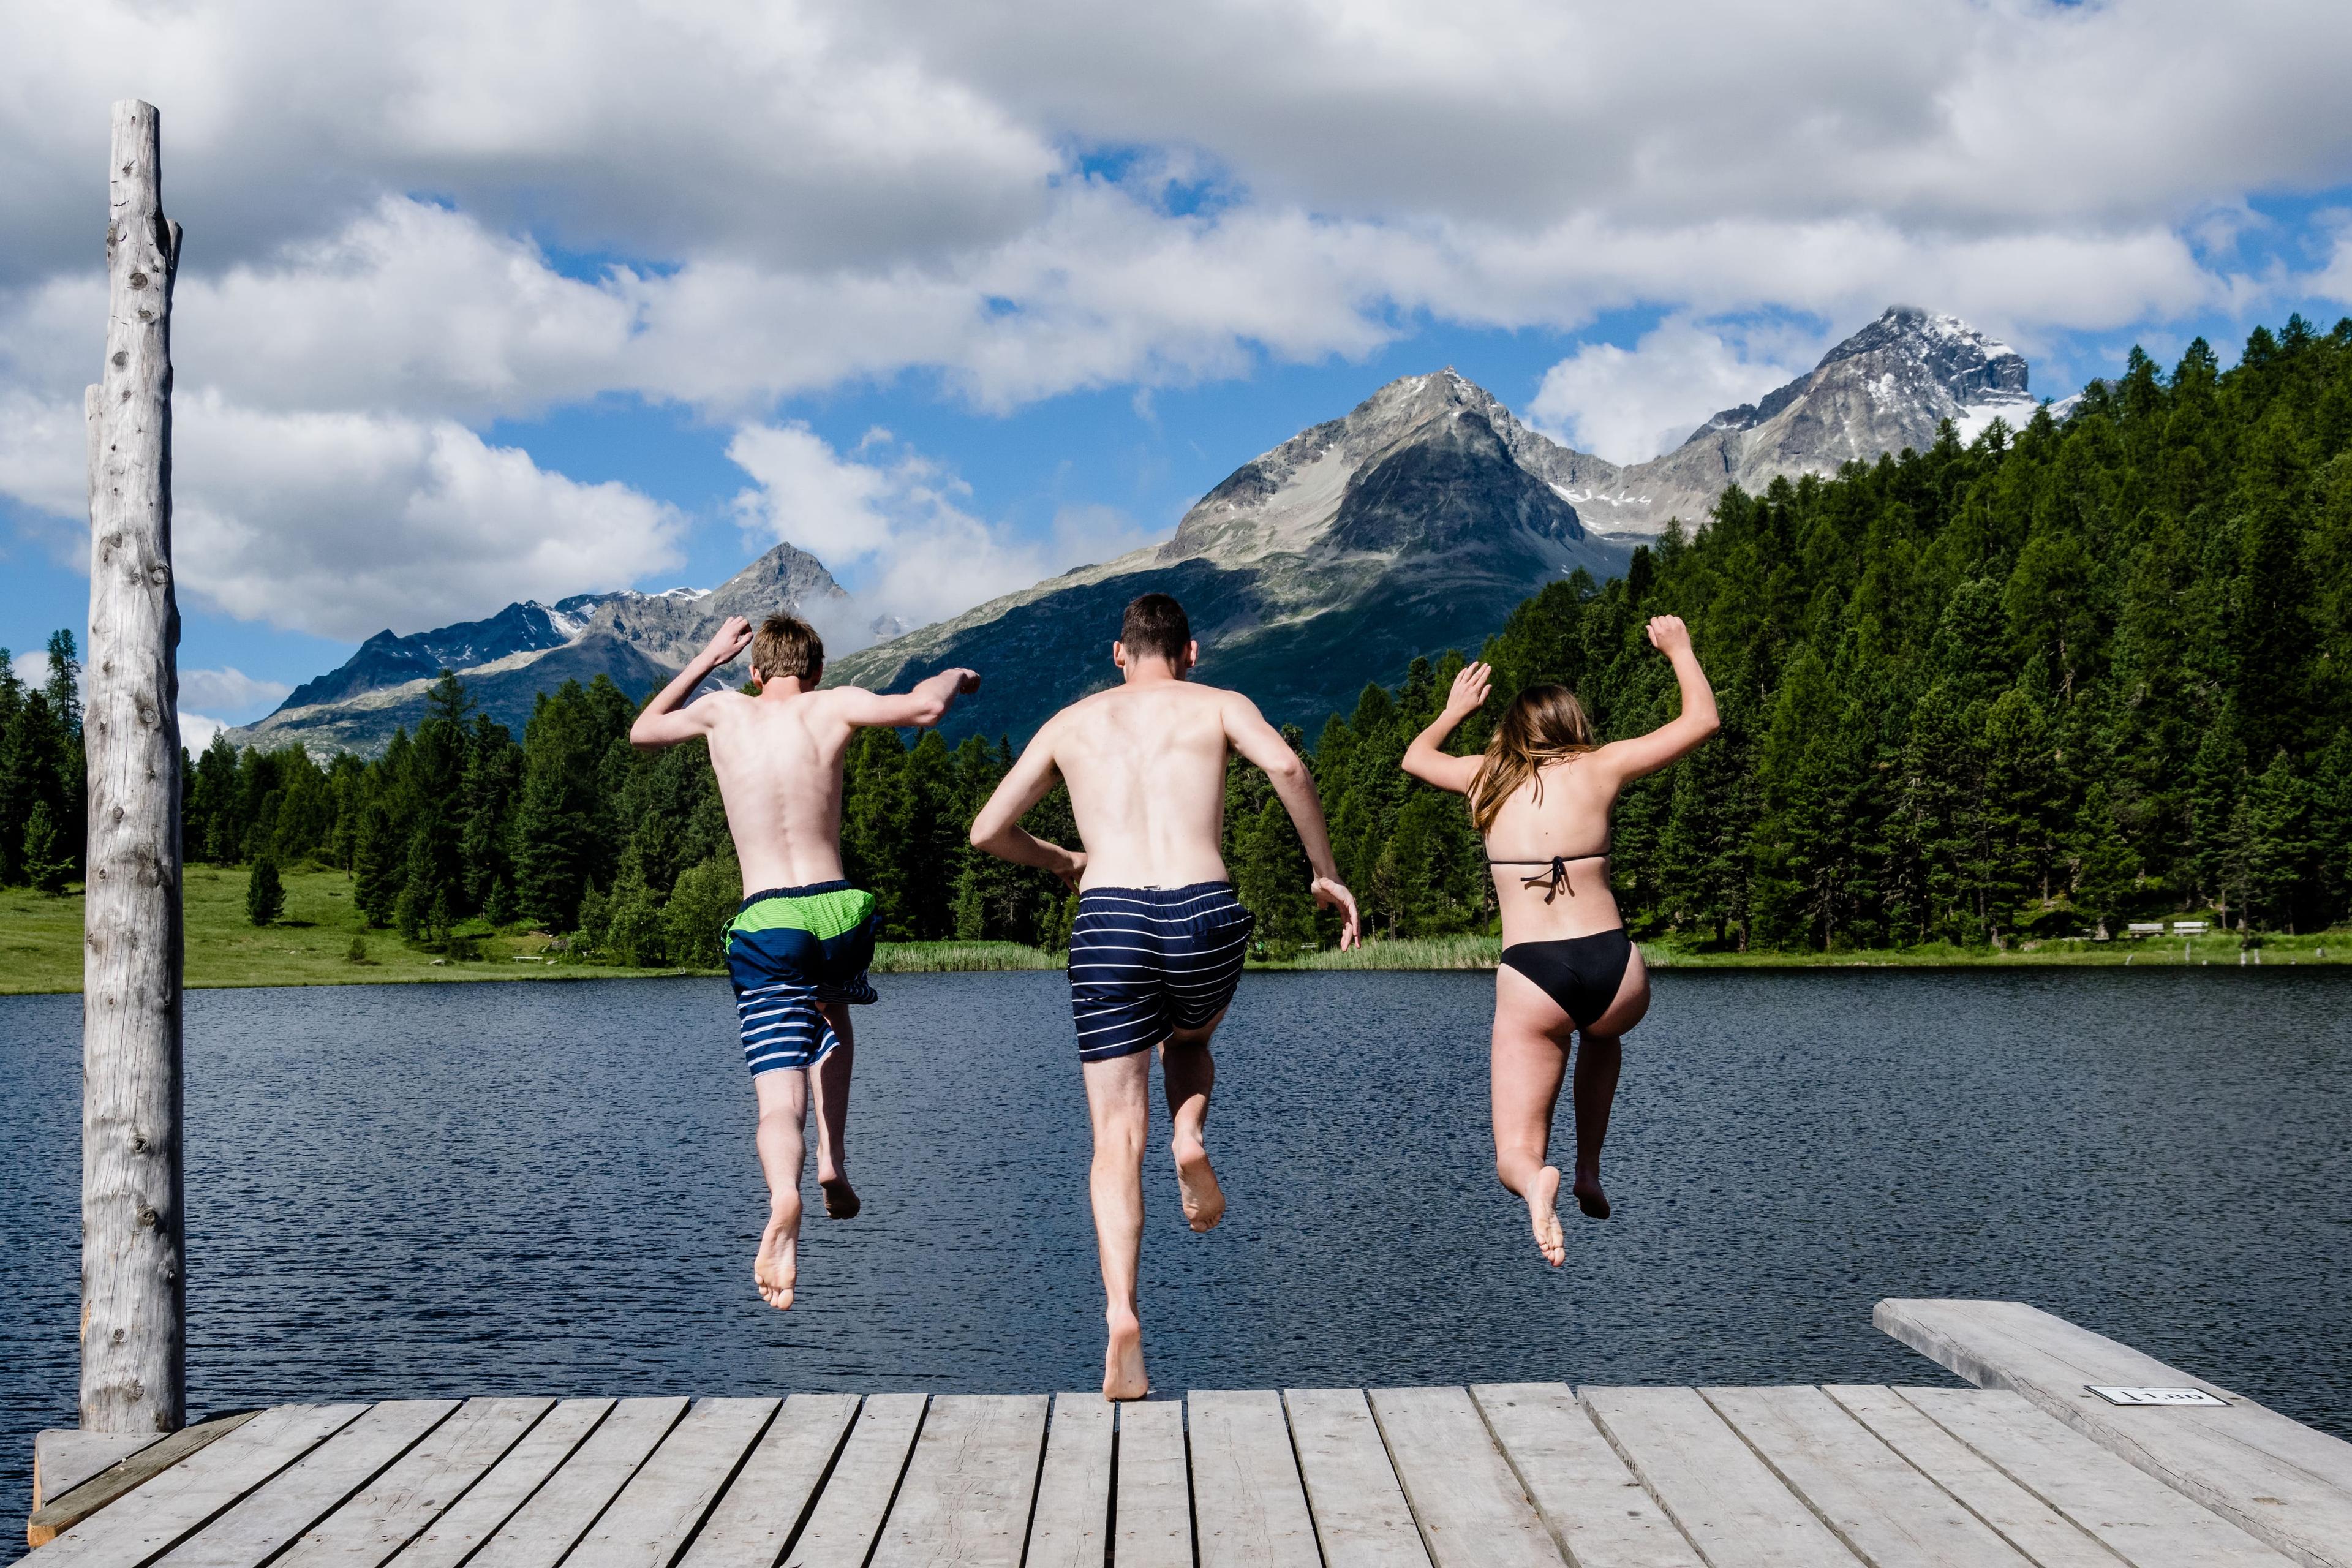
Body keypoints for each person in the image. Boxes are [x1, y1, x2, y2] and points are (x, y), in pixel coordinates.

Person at [968, 592, 1362, 1399]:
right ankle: (1191, 1135)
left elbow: (986, 831)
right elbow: (1287, 764)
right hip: (1201, 909)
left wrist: (1065, 862)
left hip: (1109, 915)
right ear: (1191, 653)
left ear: (1120, 655)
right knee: (1190, 1042)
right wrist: (1323, 871)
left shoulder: (1070, 724)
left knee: (1114, 1136)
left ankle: (1122, 1317)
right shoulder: (1219, 704)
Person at [630, 612, 979, 1311]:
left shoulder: (723, 712)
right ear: (815, 670)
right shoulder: (834, 704)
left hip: (768, 921)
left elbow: (642, 730)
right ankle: (834, 1158)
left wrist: (708, 656)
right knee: (835, 1011)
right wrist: (956, 675)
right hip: (840, 913)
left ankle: (784, 1192)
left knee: (776, 1096)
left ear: (757, 672)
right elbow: (928, 706)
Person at [1401, 616, 1717, 1267]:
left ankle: (1536, 1178)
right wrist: (1680, 651)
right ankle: (1589, 1168)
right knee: (1603, 1036)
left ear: (1511, 732)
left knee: (1514, 1151)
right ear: (1573, 723)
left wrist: (1454, 709)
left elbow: (1414, 757)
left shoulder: (1485, 777)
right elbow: (1701, 721)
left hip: (1533, 977)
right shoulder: (1602, 766)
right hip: (1614, 967)